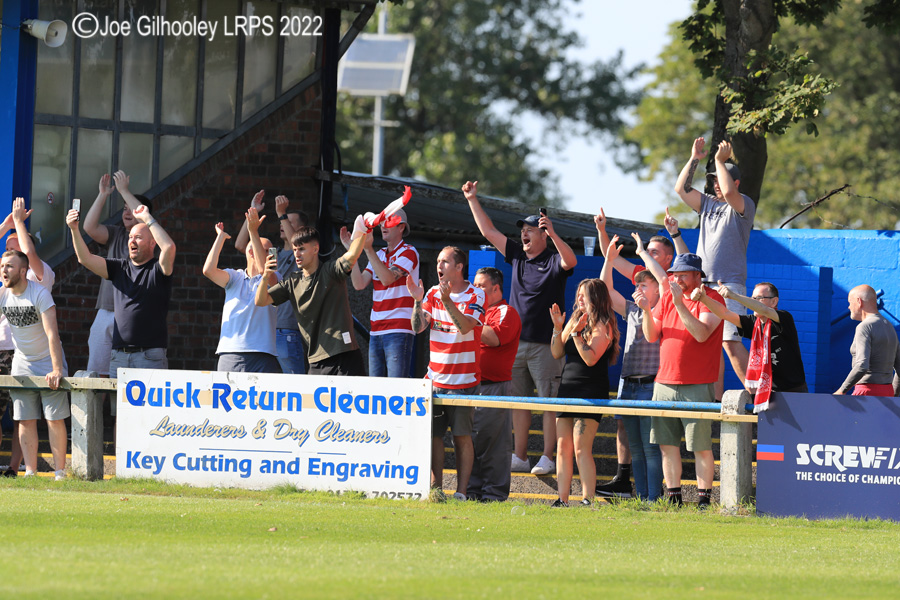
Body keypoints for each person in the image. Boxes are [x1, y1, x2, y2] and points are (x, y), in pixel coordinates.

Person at [463, 180, 576, 476]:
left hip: (546, 345)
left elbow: (571, 260)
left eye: (530, 229)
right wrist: (472, 199)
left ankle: (548, 457)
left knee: (548, 403)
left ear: (543, 234)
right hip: (517, 345)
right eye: (522, 230)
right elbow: (488, 231)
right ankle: (521, 456)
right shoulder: (517, 256)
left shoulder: (553, 259)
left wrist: (553, 233)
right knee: (519, 403)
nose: (523, 234)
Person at [594, 208, 676, 497]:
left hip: (651, 385)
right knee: (637, 449)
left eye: (644, 284)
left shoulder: (665, 306)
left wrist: (641, 252)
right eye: (637, 283)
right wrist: (607, 256)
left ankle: (654, 499)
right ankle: (643, 498)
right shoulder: (631, 309)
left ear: (655, 289)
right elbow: (604, 289)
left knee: (652, 449)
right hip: (627, 385)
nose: (638, 287)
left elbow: (666, 284)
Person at [675, 138, 757, 400]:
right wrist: (695, 157)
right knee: (710, 346)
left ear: (736, 182)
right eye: (713, 181)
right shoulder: (707, 203)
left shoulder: (743, 204)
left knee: (731, 343)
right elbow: (681, 189)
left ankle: (759, 397)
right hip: (703, 287)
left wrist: (721, 161)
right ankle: (716, 400)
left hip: (728, 286)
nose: (716, 186)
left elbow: (731, 194)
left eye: (720, 180)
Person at [67, 181, 176, 374]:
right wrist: (74, 230)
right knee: (116, 402)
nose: (132, 241)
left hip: (149, 355)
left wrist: (147, 218)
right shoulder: (119, 267)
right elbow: (85, 258)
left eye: (138, 238)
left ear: (152, 243)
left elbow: (168, 247)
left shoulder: (159, 270)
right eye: (130, 238)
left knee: (147, 406)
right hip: (119, 355)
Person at [642, 253, 724, 508]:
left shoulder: (712, 298)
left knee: (700, 446)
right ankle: (674, 498)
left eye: (683, 274)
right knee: (666, 446)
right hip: (664, 383)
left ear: (698, 275)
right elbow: (651, 335)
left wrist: (680, 304)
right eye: (674, 274)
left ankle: (703, 500)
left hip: (697, 384)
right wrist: (646, 310)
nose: (677, 279)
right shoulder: (667, 295)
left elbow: (701, 334)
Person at [408, 246, 485, 501]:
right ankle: (436, 490)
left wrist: (448, 300)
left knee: (462, 437)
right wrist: (418, 300)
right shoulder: (431, 293)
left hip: (464, 381)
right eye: (438, 261)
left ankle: (461, 492)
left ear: (459, 267)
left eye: (444, 261)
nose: (439, 266)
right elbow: (418, 328)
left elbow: (465, 328)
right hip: (435, 380)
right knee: (434, 437)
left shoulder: (477, 293)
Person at [255, 223, 367, 376]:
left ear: (315, 249)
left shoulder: (330, 271)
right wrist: (266, 276)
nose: (297, 254)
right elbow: (260, 301)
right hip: (315, 360)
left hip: (344, 355)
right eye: (294, 250)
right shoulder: (291, 282)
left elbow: (352, 255)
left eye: (301, 249)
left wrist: (364, 229)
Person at [548, 279, 619, 507]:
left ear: (595, 298)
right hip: (567, 389)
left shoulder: (603, 325)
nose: (579, 299)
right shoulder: (575, 319)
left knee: (580, 447)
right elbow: (557, 352)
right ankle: (562, 499)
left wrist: (578, 335)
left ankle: (588, 499)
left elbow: (590, 359)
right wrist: (559, 327)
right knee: (563, 447)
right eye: (578, 294)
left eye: (584, 295)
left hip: (590, 391)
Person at [0, 198, 58, 477]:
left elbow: (29, 252)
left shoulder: (40, 275)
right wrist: (5, 226)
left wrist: (20, 223)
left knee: (33, 415)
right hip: (9, 352)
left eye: (17, 252)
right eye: (6, 253)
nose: (8, 259)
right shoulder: (4, 279)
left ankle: (17, 466)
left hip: (32, 355)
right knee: (20, 415)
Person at [235, 191, 308, 374]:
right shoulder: (272, 253)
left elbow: (296, 246)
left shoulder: (301, 255)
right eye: (284, 221)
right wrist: (252, 214)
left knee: (293, 385)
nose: (284, 224)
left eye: (290, 222)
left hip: (286, 329)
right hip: (265, 332)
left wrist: (282, 213)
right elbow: (241, 245)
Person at [340, 208, 419, 378]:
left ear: (401, 227)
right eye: (382, 222)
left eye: (389, 222)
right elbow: (359, 284)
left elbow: (387, 278)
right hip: (376, 330)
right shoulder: (380, 254)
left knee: (396, 388)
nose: (383, 225)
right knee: (376, 389)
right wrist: (351, 253)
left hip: (399, 329)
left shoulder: (409, 252)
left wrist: (367, 249)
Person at [693, 281, 808, 394]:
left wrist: (734, 296)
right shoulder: (753, 322)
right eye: (752, 298)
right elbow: (724, 313)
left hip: (794, 391)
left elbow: (765, 310)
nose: (753, 302)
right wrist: (704, 299)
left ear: (774, 301)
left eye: (759, 298)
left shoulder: (784, 318)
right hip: (767, 391)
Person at [203, 209, 280, 373]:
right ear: (252, 252)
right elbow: (208, 270)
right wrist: (220, 238)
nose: (272, 255)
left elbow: (262, 270)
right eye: (267, 251)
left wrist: (253, 231)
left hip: (263, 353)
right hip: (231, 352)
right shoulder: (234, 276)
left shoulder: (275, 277)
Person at [468, 267, 521, 502]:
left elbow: (494, 337)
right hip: (469, 385)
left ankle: (493, 494)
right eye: (474, 285)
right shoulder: (475, 313)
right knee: (470, 441)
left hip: (494, 387)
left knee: (493, 445)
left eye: (481, 286)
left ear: (496, 288)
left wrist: (468, 320)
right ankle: (471, 492)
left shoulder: (505, 311)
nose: (475, 289)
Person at [835, 285, 900, 397]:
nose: (849, 307)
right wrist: (894, 395)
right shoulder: (889, 326)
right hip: (887, 391)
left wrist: (841, 390)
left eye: (850, 302)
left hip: (866, 392)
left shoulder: (864, 327)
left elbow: (862, 365)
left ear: (859, 301)